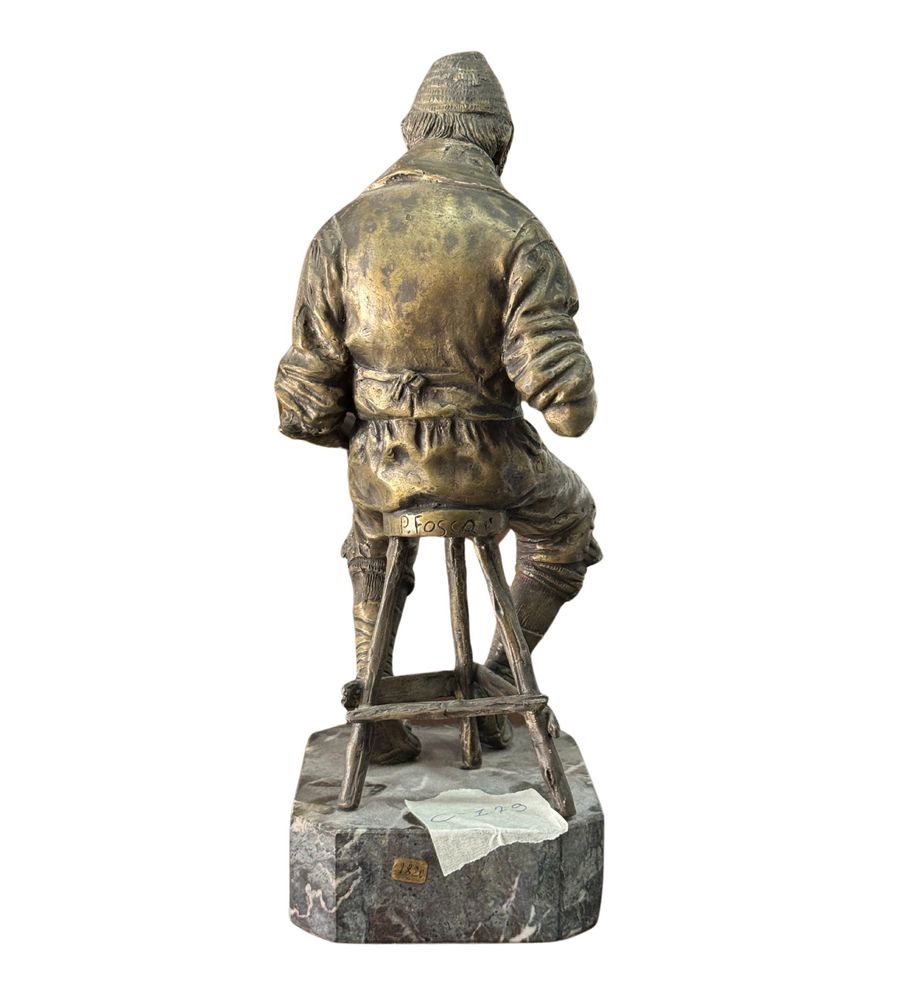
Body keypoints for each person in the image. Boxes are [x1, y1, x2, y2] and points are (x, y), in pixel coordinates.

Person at [275, 52, 601, 764]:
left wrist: (367, 431)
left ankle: (374, 703)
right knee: (569, 521)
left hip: (382, 466)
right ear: (498, 142)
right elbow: (568, 410)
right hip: (492, 469)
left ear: (413, 132)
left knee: (372, 531)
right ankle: (498, 679)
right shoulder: (517, 231)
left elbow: (303, 405)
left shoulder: (341, 231)